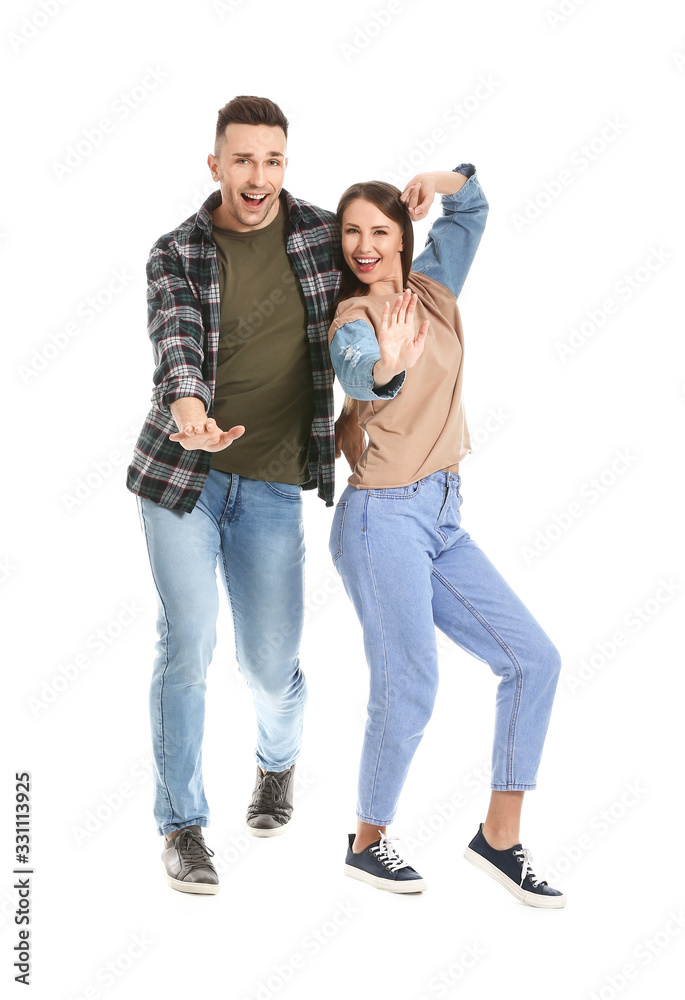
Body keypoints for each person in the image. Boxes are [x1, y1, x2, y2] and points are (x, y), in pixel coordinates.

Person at [126, 95, 368, 894]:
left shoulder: (324, 236)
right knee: (185, 647)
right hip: (181, 477)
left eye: (271, 160)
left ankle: (275, 764)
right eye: (242, 160)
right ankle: (183, 828)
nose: (256, 176)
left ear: (284, 166)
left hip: (269, 482)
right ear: (215, 165)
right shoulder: (178, 252)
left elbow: (386, 295)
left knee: (270, 667)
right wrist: (189, 412)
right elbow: (177, 341)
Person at [327, 164, 566, 907]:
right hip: (381, 517)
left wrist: (441, 179)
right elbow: (361, 373)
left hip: (442, 517)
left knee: (533, 660)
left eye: (379, 231)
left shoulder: (432, 290)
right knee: (410, 683)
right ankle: (366, 843)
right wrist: (388, 368)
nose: (364, 246)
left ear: (403, 236)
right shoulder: (351, 320)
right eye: (351, 234)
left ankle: (498, 838)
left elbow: (472, 210)